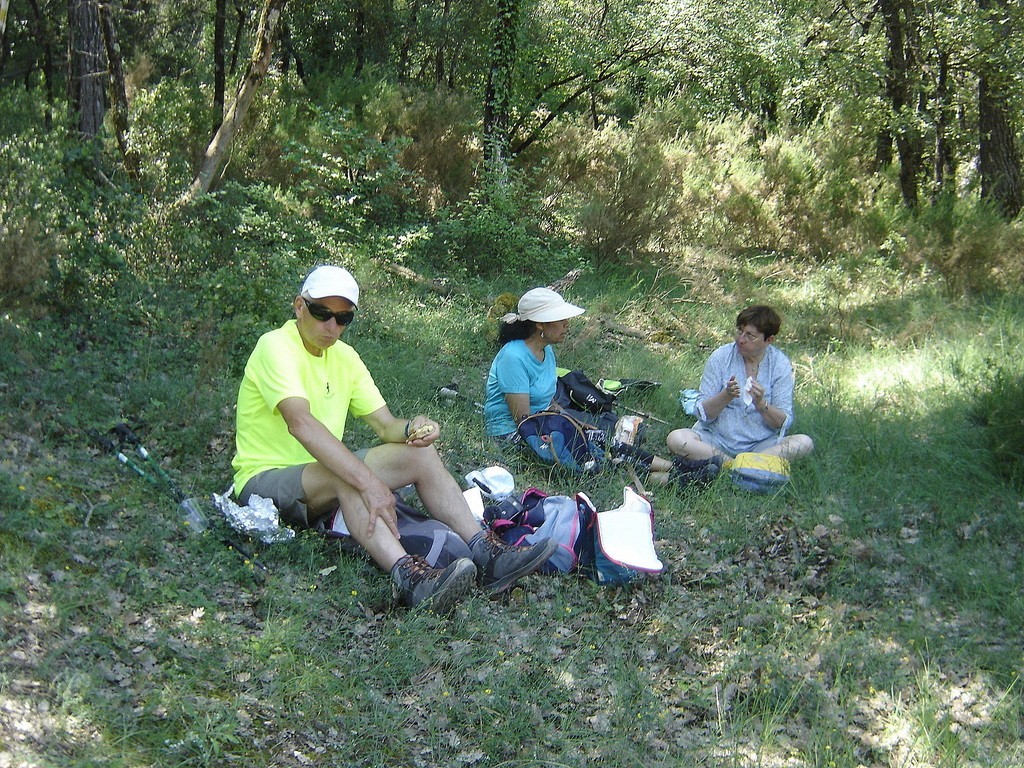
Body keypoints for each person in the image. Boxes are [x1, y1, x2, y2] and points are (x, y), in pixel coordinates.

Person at [231, 265, 557, 613]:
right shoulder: (276, 346)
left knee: (419, 455)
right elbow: (302, 425)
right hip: (263, 480)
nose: (331, 326)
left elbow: (385, 425)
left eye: (343, 319)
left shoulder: (345, 358)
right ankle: (412, 580)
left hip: (316, 477)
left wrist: (412, 428)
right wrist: (368, 482)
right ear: (299, 306)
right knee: (349, 473)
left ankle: (485, 552)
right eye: (321, 312)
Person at [483, 287, 714, 485]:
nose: (567, 324)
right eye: (560, 319)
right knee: (596, 458)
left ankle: (676, 468)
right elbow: (523, 420)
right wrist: (569, 431)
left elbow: (548, 402)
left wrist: (578, 424)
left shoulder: (546, 350)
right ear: (540, 324)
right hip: (514, 434)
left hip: (544, 422)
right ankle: (676, 479)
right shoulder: (514, 357)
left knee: (600, 438)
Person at [666, 305, 814, 464]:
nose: (741, 339)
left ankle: (731, 465)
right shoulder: (721, 357)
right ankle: (737, 466)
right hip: (716, 441)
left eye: (750, 336)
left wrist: (761, 404)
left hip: (760, 445)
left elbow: (783, 422)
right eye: (740, 331)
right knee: (676, 439)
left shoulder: (780, 364)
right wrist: (726, 395)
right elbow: (702, 414)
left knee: (804, 443)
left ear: (769, 340)